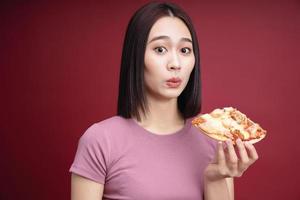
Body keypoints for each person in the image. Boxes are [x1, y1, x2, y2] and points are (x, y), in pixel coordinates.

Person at [69, 2, 259, 200]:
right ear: (135, 56)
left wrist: (215, 178)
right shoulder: (100, 141)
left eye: (185, 50)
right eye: (160, 49)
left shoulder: (214, 139)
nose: (175, 64)